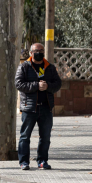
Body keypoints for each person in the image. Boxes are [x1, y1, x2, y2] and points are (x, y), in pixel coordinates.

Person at [16, 42, 62, 171]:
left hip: (46, 108)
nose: (39, 52)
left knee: (45, 137)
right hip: (29, 108)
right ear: (31, 53)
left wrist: (48, 86)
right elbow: (19, 84)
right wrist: (36, 85)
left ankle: (42, 161)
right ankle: (23, 162)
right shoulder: (24, 67)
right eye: (36, 50)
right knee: (25, 136)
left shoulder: (50, 67)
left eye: (41, 50)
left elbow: (58, 83)